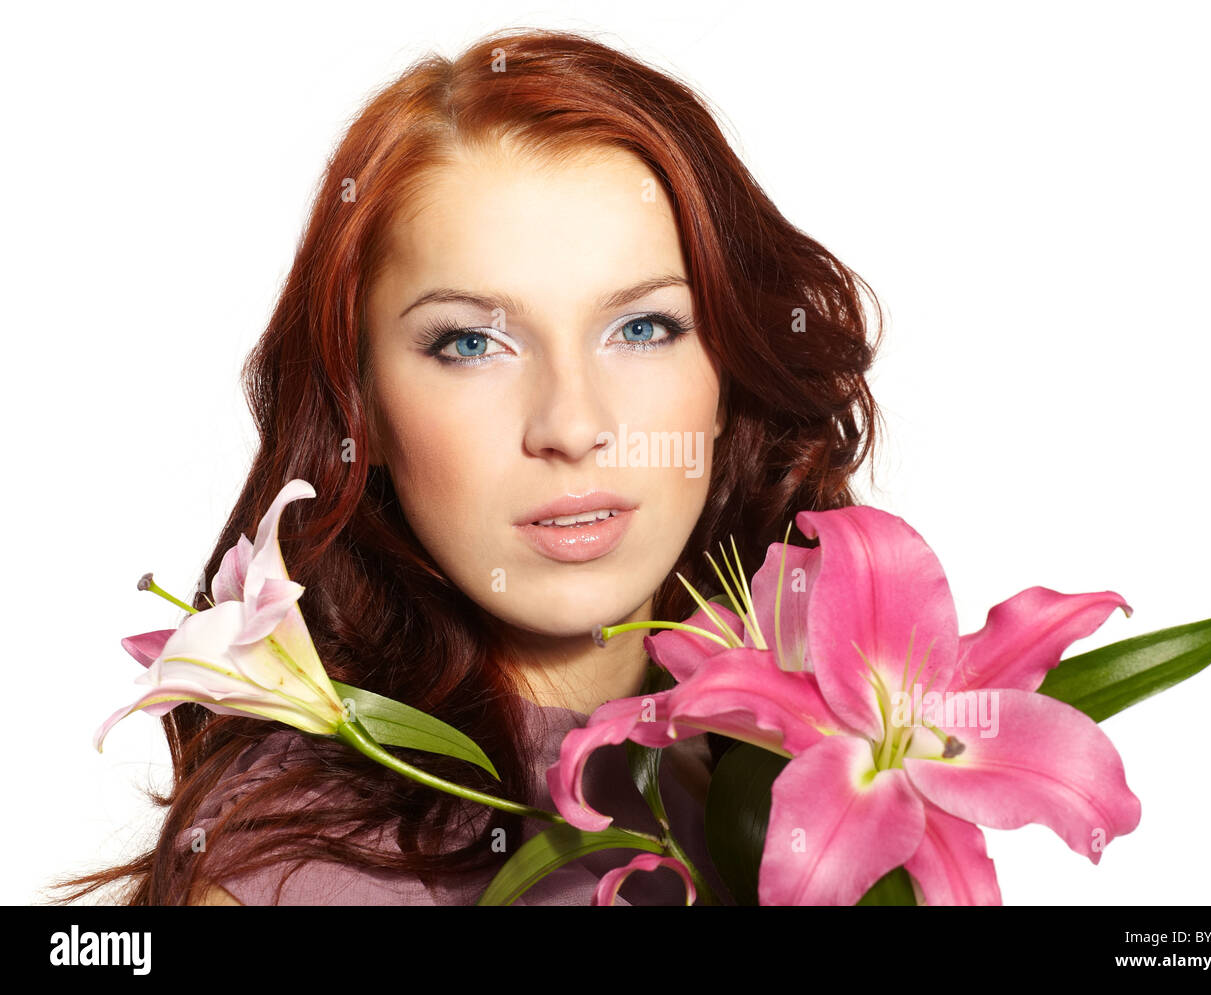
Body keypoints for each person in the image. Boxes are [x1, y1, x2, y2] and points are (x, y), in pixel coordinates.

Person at [56, 26, 883, 906]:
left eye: (643, 327)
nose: (572, 425)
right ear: (359, 399)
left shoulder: (831, 763)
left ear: (728, 371)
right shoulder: (296, 876)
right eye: (471, 342)